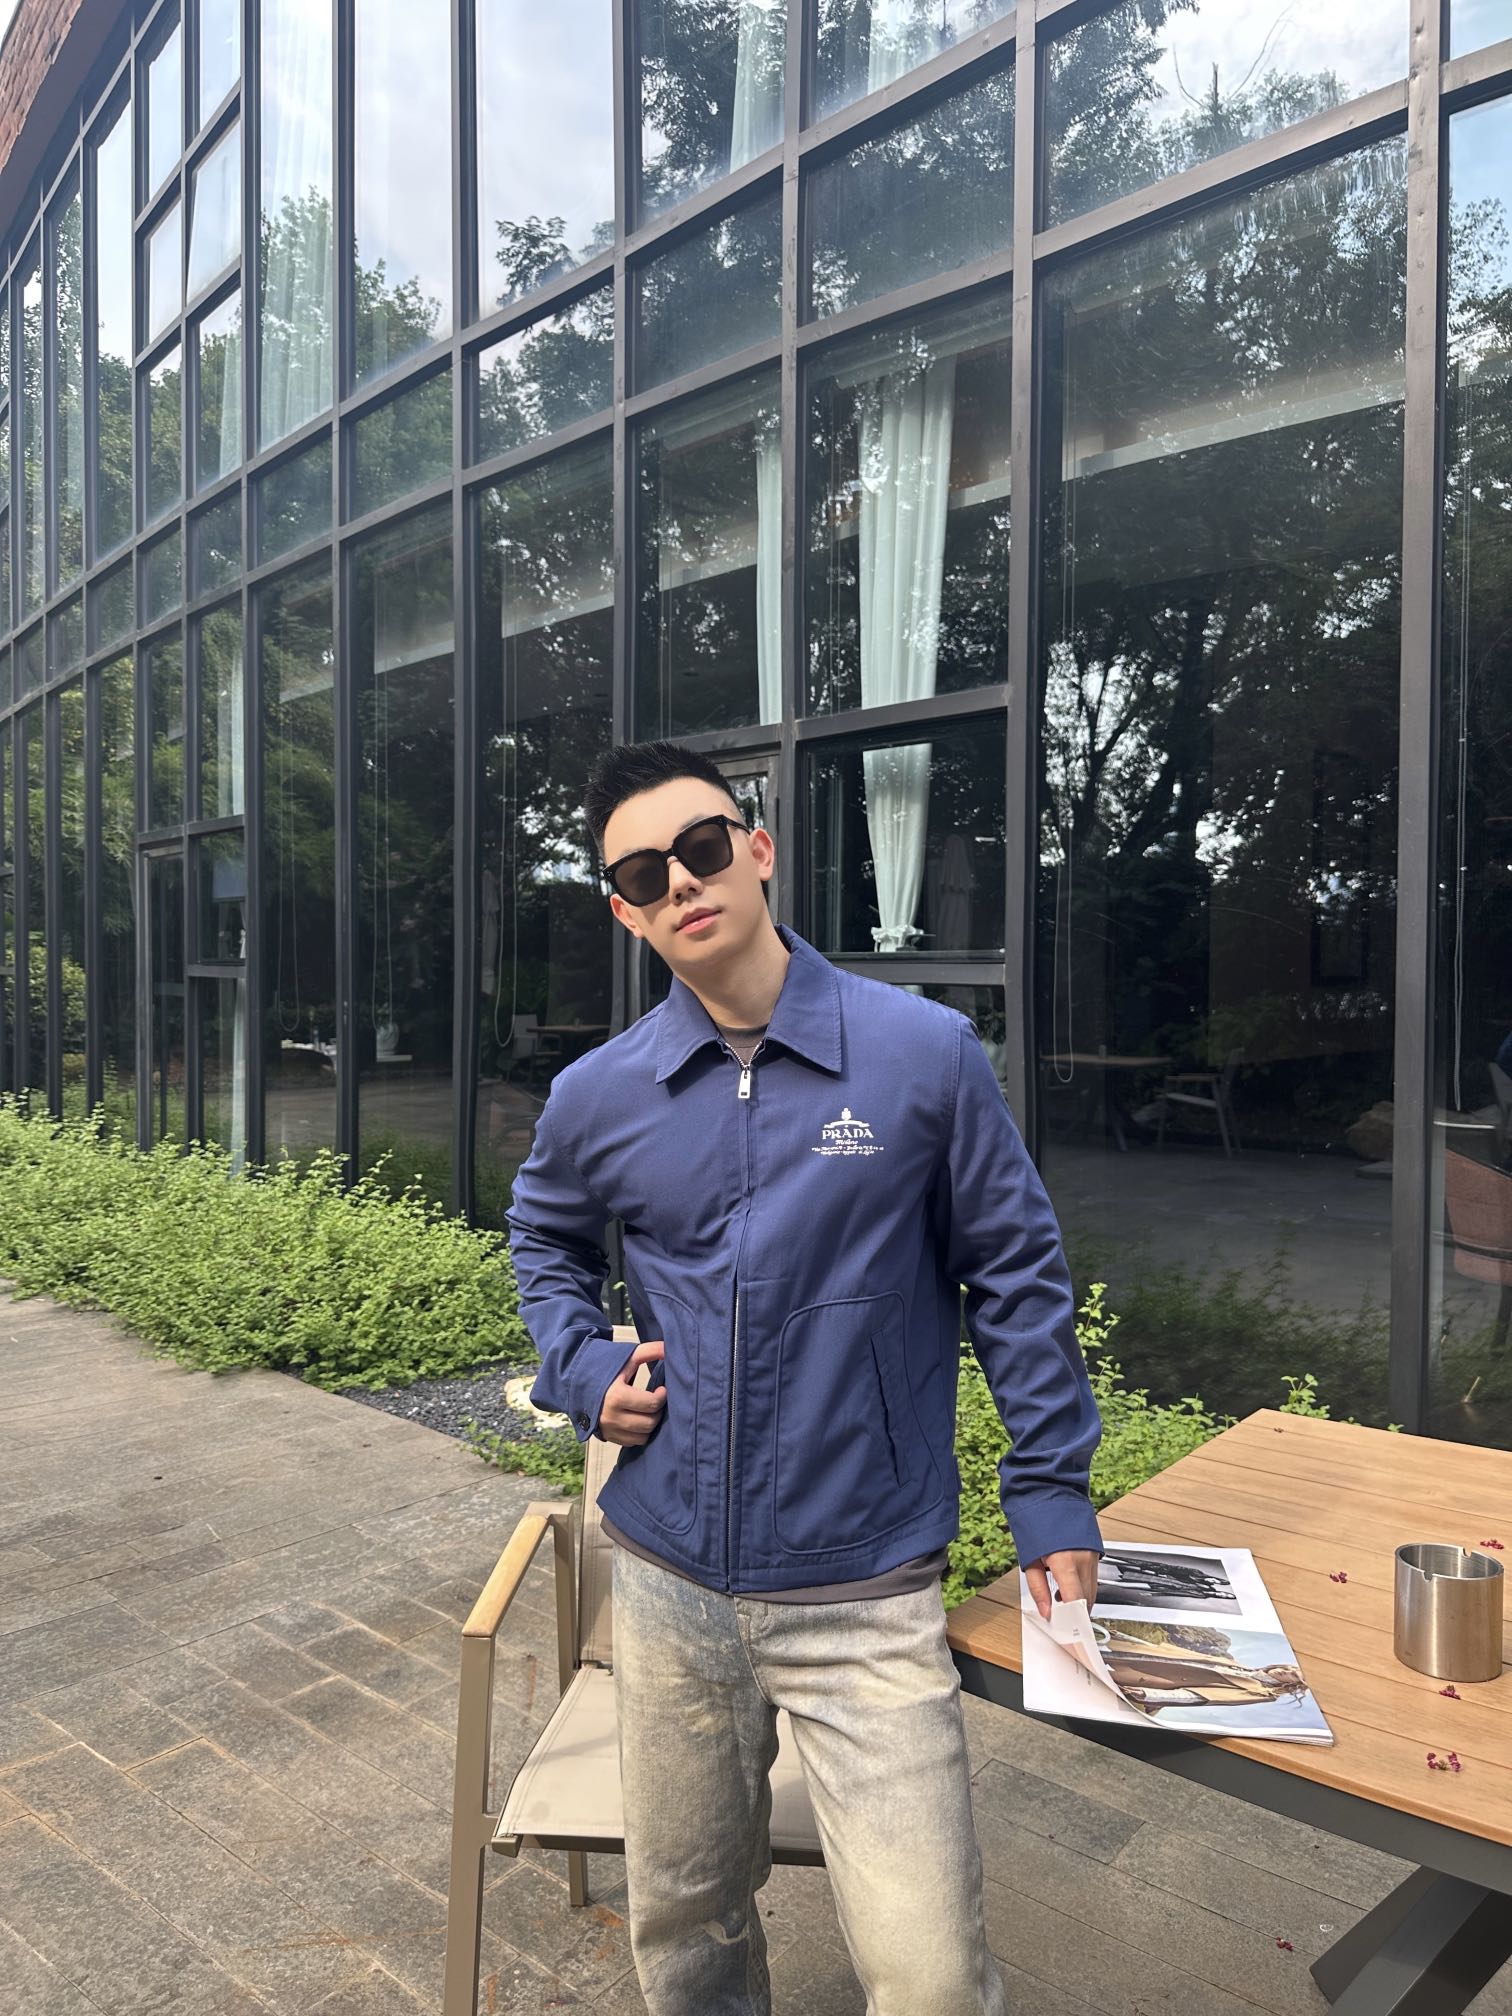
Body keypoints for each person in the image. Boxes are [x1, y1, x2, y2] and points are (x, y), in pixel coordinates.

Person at [507, 740, 1103, 2016]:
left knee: (931, 1977)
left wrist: (1052, 1490)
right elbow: (543, 1237)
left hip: (864, 1590)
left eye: (703, 847)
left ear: (759, 850)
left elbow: (1015, 1274)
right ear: (624, 912)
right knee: (688, 1930)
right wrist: (582, 1364)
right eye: (644, 873)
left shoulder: (923, 1055)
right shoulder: (599, 1094)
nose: (682, 881)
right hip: (667, 1581)